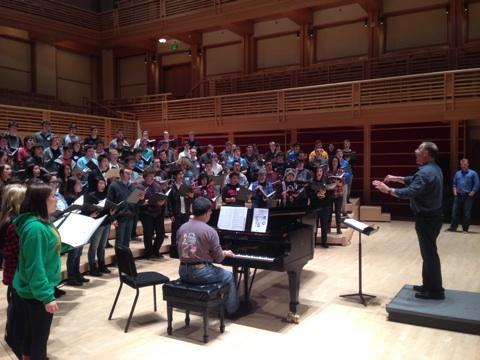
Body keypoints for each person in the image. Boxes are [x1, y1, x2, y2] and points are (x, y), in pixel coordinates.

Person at [373, 142, 445, 300]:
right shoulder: (433, 168)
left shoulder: (425, 173)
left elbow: (412, 190)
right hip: (434, 216)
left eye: (419, 148)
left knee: (430, 254)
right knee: (428, 253)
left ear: (426, 153)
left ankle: (436, 291)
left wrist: (389, 190)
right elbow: (413, 179)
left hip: (427, 218)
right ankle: (428, 285)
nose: (415, 150)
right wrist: (395, 178)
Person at [13, 182, 62, 359]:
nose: (56, 199)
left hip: (32, 290)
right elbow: (35, 266)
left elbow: (44, 252)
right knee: (39, 340)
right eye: (53, 196)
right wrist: (46, 296)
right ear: (42, 201)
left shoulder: (42, 222)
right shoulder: (36, 229)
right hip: (36, 293)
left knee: (32, 335)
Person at [177, 197, 240, 317]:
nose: (211, 214)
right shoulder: (209, 231)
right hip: (200, 272)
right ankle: (232, 310)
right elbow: (219, 258)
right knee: (230, 276)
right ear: (206, 213)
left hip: (183, 271)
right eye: (210, 212)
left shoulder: (182, 228)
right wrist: (224, 252)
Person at [0, 184, 27, 358]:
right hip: (16, 271)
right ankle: (15, 341)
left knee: (15, 306)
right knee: (17, 308)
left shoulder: (11, 219)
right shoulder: (12, 223)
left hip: (13, 270)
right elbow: (17, 251)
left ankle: (12, 336)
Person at [137, 168, 166, 259]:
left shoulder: (157, 185)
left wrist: (162, 202)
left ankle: (156, 250)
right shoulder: (140, 187)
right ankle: (149, 253)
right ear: (145, 177)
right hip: (146, 213)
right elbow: (133, 201)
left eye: (153, 175)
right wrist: (144, 202)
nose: (152, 177)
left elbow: (162, 196)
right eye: (150, 176)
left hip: (158, 213)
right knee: (148, 234)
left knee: (161, 233)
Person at [447, 158, 479, 233]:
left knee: (466, 213)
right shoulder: (457, 173)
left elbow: (477, 184)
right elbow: (454, 184)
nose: (463, 166)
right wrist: (454, 191)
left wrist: (473, 192)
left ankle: (465, 229)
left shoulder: (473, 173)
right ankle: (453, 227)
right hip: (458, 195)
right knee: (455, 212)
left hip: (468, 196)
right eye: (462, 164)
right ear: (460, 165)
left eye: (465, 164)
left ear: (468, 164)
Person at [308, 167, 333, 248]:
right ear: (315, 173)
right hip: (315, 206)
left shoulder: (327, 182)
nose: (319, 173)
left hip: (325, 206)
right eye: (318, 171)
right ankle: (313, 242)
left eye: (320, 171)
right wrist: (316, 193)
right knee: (314, 224)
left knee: (324, 224)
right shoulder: (311, 183)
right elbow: (309, 195)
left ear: (322, 173)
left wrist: (326, 191)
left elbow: (330, 193)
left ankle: (324, 242)